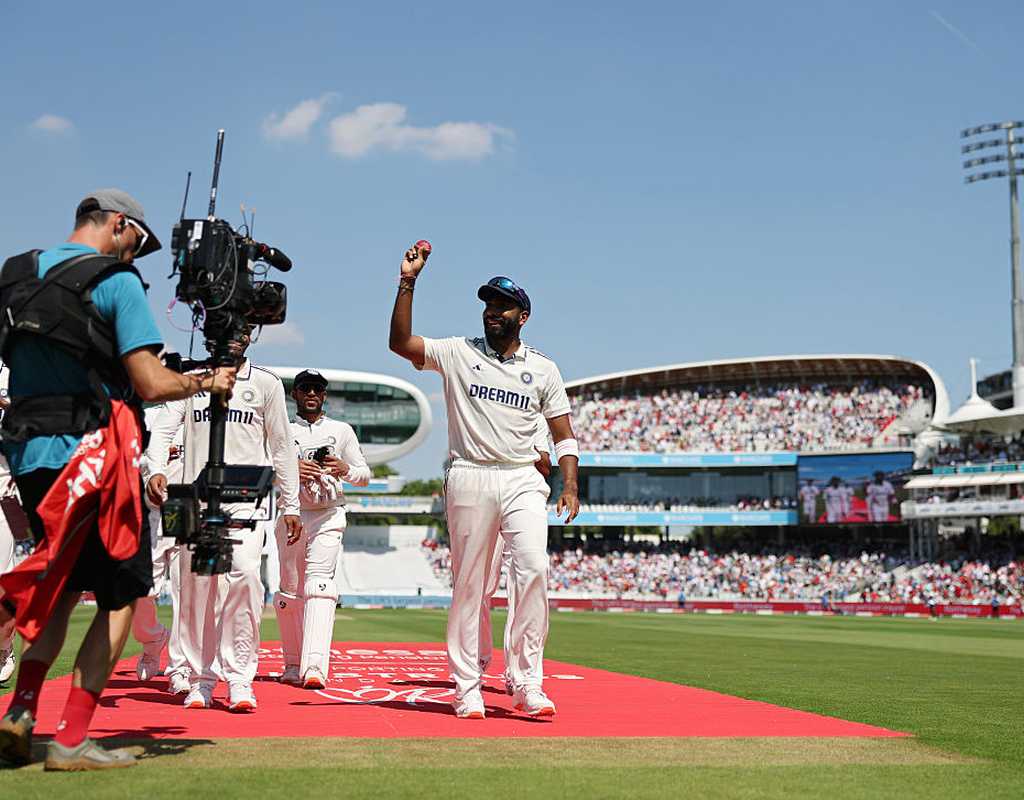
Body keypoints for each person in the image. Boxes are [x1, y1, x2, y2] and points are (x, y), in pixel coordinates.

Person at [0, 189, 236, 770]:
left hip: (28, 453)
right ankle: (71, 738)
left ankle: (20, 712)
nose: (137, 255)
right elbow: (150, 384)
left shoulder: (15, 271)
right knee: (122, 594)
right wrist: (207, 381)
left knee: (58, 588)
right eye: (137, 242)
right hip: (94, 456)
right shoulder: (117, 281)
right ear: (119, 225)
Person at [389, 242, 580, 719]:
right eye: (488, 306)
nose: (492, 313)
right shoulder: (457, 352)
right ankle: (467, 685)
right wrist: (407, 282)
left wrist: (570, 485)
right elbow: (401, 344)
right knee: (470, 586)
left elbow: (564, 436)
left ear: (524, 316)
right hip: (470, 473)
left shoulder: (544, 368)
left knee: (534, 569)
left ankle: (528, 683)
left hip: (521, 478)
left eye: (502, 307)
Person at [146, 329, 299, 712]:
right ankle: (200, 678)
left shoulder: (265, 383)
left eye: (246, 328)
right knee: (197, 588)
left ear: (253, 334)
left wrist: (291, 504)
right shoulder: (193, 377)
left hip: (246, 497)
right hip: (193, 497)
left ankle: (240, 679)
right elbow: (163, 429)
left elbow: (281, 446)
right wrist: (155, 470)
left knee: (245, 578)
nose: (238, 334)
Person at [276, 368, 370, 690]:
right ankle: (292, 662)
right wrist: (290, 469)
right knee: (289, 591)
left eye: (317, 389)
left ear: (325, 395)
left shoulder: (341, 431)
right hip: (291, 513)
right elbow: (262, 469)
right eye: (305, 389)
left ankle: (314, 665)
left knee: (319, 585)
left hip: (329, 513)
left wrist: (344, 468)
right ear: (295, 395)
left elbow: (364, 474)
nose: (312, 394)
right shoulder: (283, 430)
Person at [478, 430, 551, 695]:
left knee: (525, 580)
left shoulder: (535, 414)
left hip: (521, 494)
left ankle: (518, 673)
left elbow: (545, 464)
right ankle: (478, 659)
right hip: (483, 491)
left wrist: (528, 456)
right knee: (481, 585)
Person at [131, 413, 188, 692]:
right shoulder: (145, 414)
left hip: (184, 508)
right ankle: (152, 638)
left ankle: (180, 668)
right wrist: (152, 463)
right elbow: (129, 457)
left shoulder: (198, 409)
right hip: (150, 512)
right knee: (140, 591)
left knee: (185, 593)